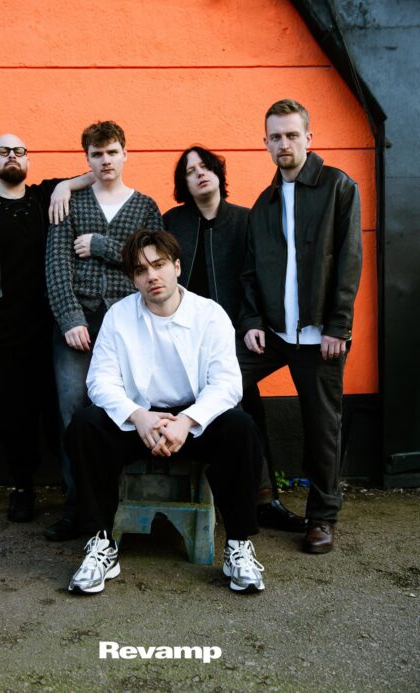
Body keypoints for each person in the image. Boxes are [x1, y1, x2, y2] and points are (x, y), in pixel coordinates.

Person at [66, 229, 265, 595]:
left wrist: (187, 421)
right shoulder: (119, 317)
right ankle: (101, 542)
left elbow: (227, 384)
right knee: (85, 425)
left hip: (192, 421)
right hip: (139, 421)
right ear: (133, 279)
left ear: (176, 266)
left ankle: (238, 545)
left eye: (158, 265)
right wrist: (138, 416)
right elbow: (100, 381)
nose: (151, 276)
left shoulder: (209, 315)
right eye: (141, 270)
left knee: (240, 427)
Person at [0, 133, 93, 522]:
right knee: (11, 415)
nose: (12, 156)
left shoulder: (44, 198)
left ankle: (73, 491)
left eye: (20, 151)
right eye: (4, 151)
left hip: (52, 329)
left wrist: (64, 187)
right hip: (0, 333)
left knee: (60, 410)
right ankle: (23, 487)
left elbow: (97, 171)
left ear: (28, 160)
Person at [240, 99, 362, 553]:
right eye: (275, 137)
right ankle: (260, 492)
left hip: (320, 335)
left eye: (292, 135)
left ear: (309, 138)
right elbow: (250, 270)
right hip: (273, 333)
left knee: (322, 425)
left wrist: (338, 326)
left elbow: (349, 259)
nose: (284, 144)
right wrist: (252, 321)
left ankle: (322, 516)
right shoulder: (265, 203)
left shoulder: (337, 186)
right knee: (225, 381)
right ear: (265, 143)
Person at [163, 146, 305, 532]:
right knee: (234, 407)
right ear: (184, 183)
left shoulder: (244, 219)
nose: (200, 173)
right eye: (190, 170)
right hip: (183, 339)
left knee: (244, 403)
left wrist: (253, 321)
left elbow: (258, 276)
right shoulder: (173, 221)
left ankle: (262, 499)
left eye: (206, 166)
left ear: (218, 174)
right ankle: (253, 499)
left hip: (234, 335)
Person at [45, 121, 163, 541]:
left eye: (112, 152)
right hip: (79, 322)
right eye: (97, 154)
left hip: (130, 322)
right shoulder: (70, 202)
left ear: (125, 154)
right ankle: (77, 508)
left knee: (128, 407)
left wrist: (100, 245)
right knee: (73, 414)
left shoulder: (145, 206)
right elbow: (56, 264)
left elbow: (152, 260)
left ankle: (123, 504)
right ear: (88, 159)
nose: (106, 160)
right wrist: (70, 318)